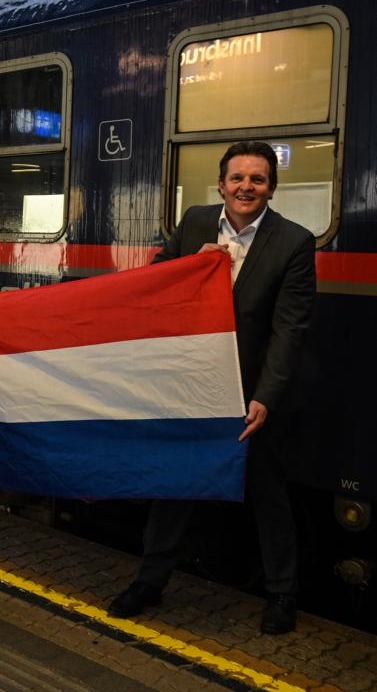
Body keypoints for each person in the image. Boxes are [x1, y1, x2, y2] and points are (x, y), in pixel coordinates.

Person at [107, 141, 316, 635]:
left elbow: (290, 330)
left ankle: (283, 594)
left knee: (267, 493)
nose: (247, 187)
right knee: (175, 485)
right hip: (192, 386)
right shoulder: (195, 222)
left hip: (251, 391)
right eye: (238, 178)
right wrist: (186, 267)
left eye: (258, 179)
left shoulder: (294, 242)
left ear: (271, 189)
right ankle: (150, 582)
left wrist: (265, 396)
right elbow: (154, 286)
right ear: (221, 184)